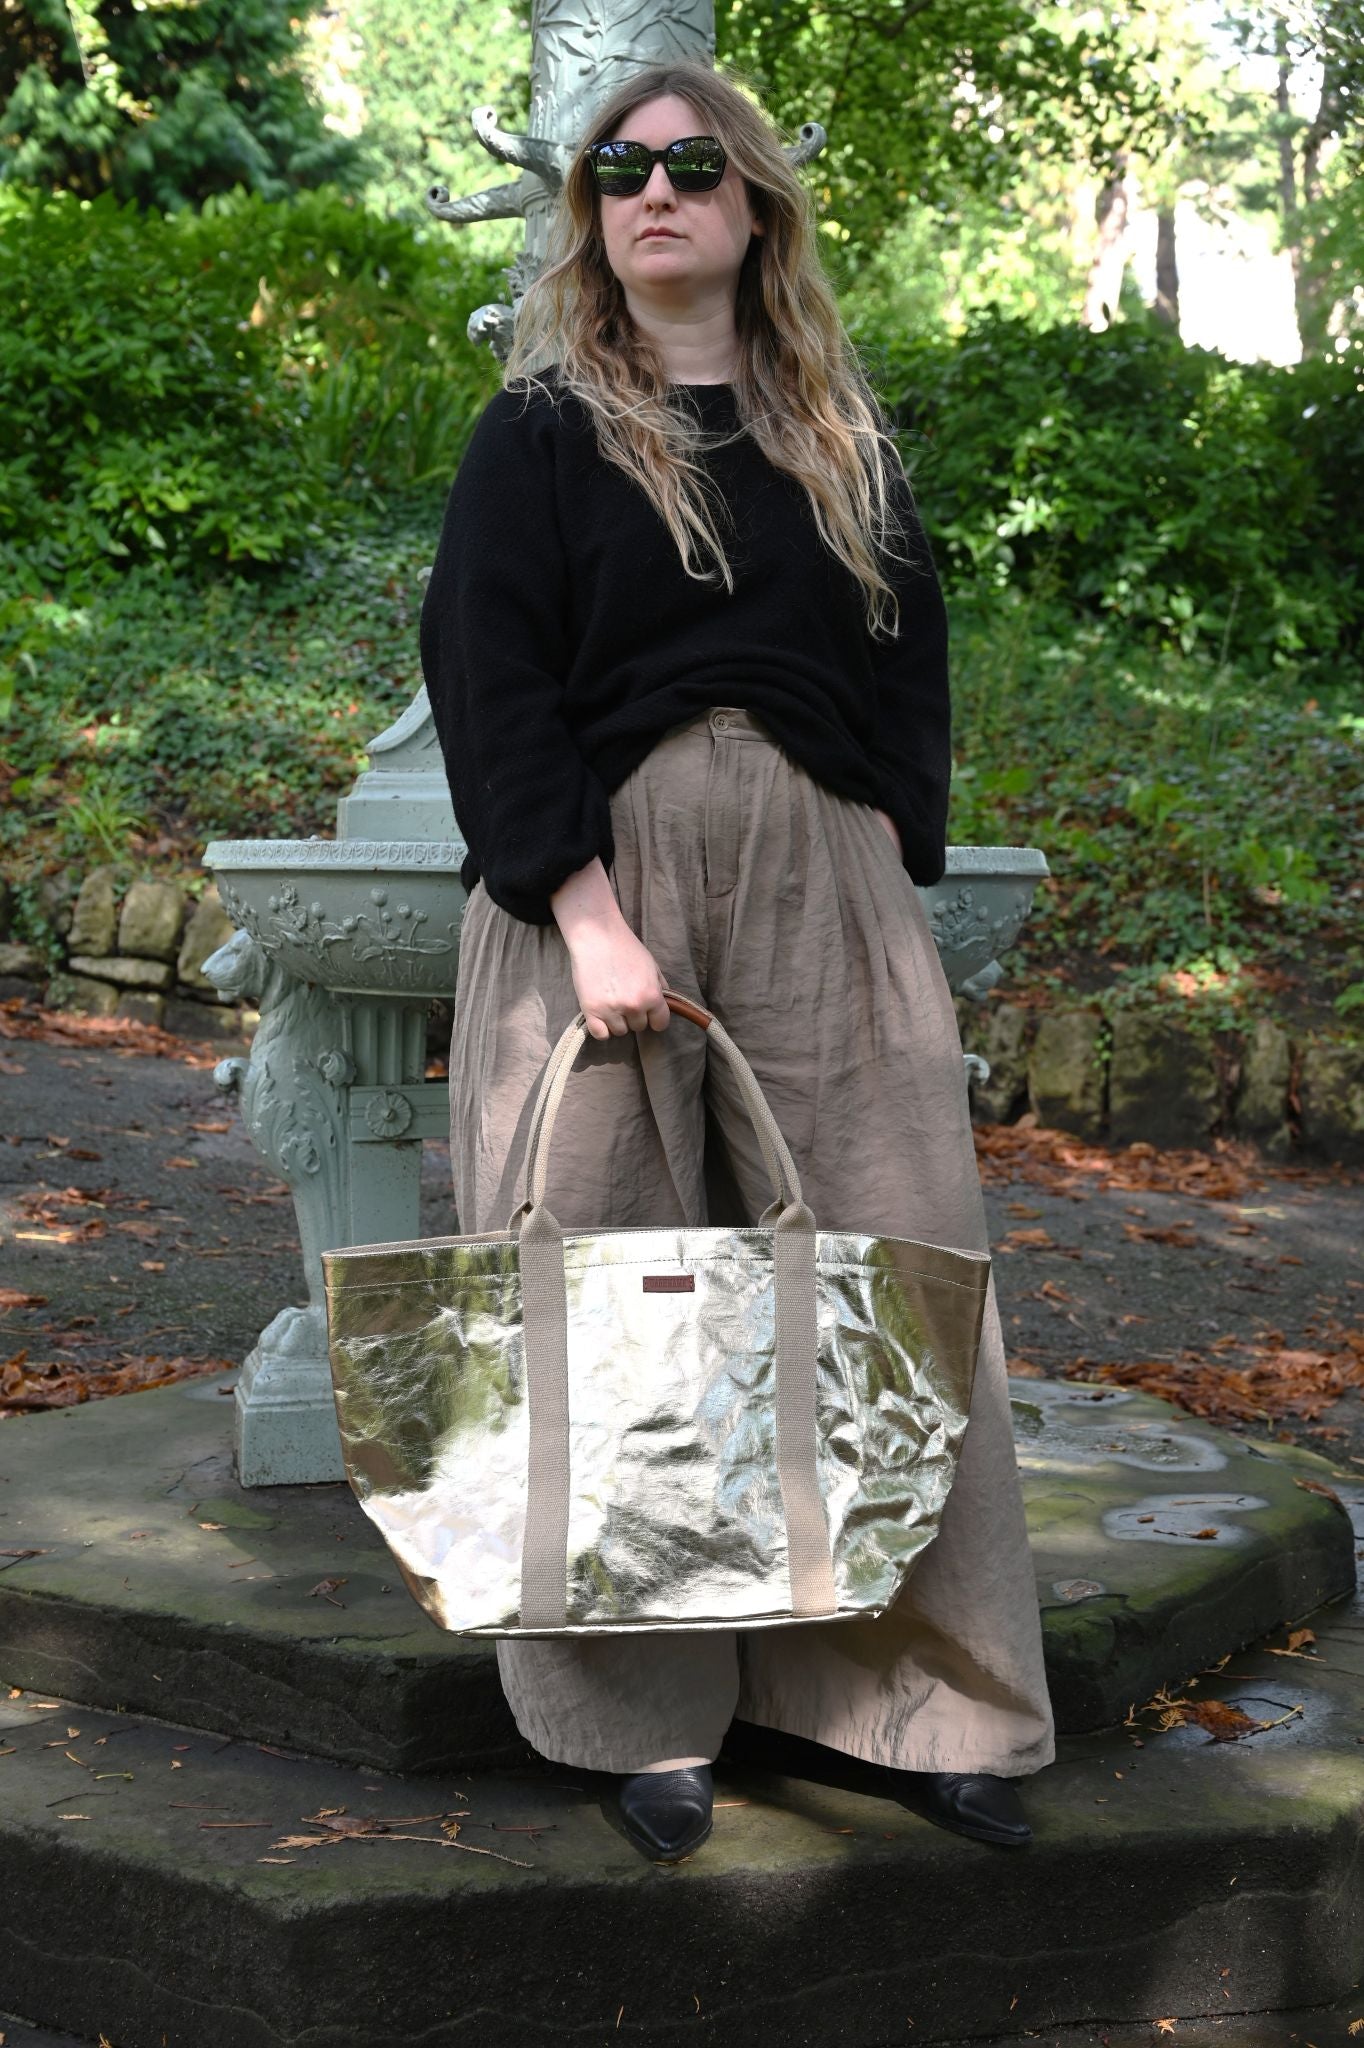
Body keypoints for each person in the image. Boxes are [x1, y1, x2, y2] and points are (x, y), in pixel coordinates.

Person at [419, 56, 1056, 1865]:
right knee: (621, 1296)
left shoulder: (835, 433)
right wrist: (589, 912)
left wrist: (879, 873)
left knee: (892, 1277)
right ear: (589, 216)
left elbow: (905, 663)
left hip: (819, 887)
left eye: (695, 164)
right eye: (619, 171)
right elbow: (491, 681)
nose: (655, 192)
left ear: (754, 199)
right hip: (596, 891)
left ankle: (923, 1703)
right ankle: (645, 1717)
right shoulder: (540, 433)